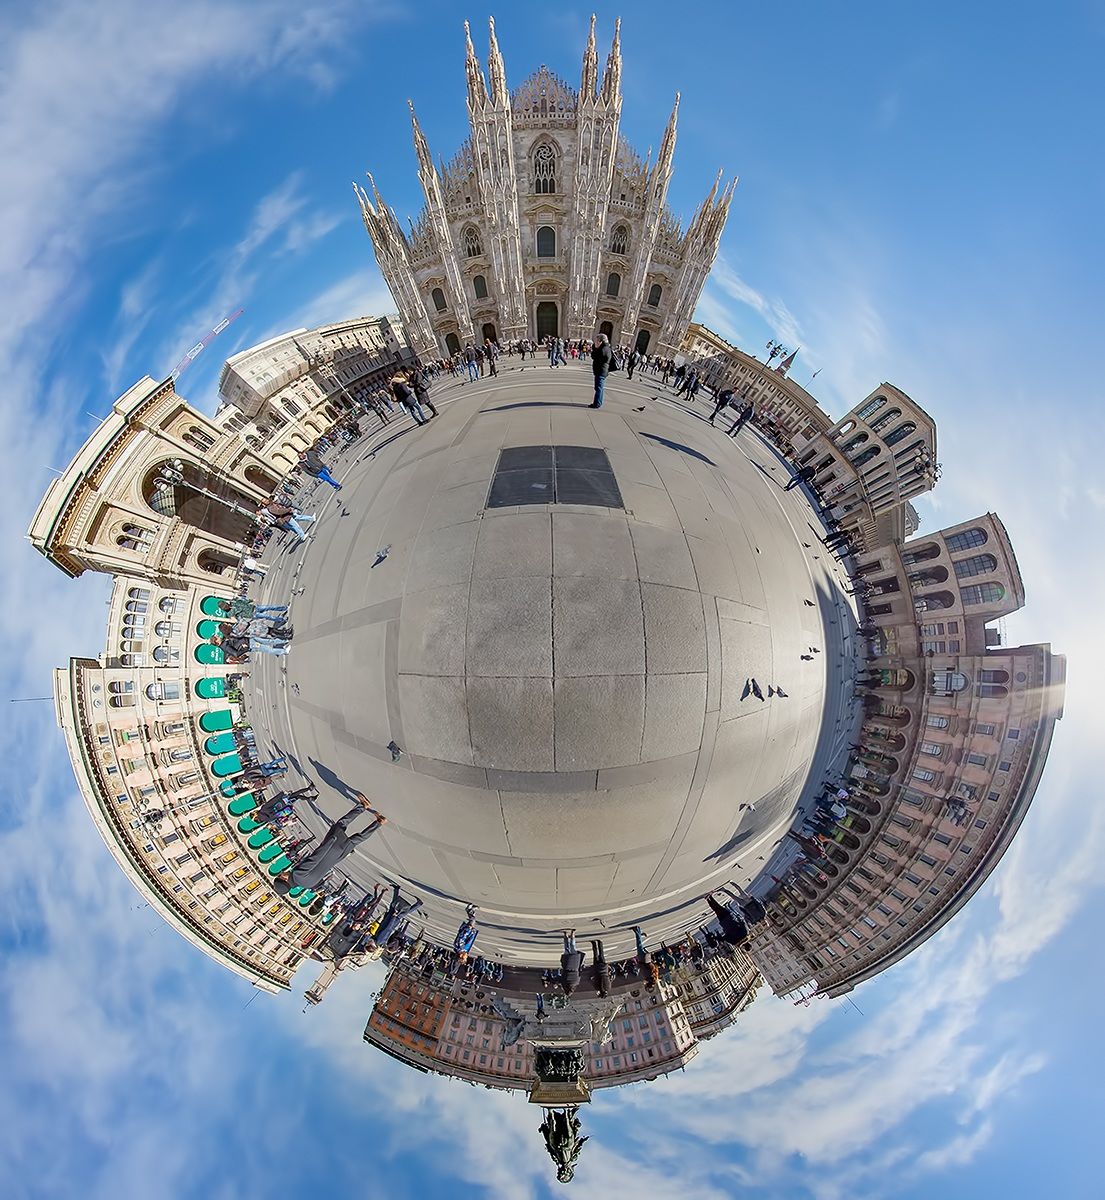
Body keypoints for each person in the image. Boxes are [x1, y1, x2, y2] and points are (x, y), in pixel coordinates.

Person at [272, 793, 386, 894]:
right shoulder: (297, 874)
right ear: (285, 880)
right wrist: (329, 842)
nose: (282, 872)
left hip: (337, 857)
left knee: (357, 838)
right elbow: (316, 857)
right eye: (280, 875)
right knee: (341, 824)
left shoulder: (307, 885)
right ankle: (363, 806)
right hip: (330, 848)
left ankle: (379, 822)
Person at [370, 883, 424, 948]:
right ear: (371, 945)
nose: (368, 942)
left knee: (393, 905)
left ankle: (396, 889)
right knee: (402, 911)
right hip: (391, 921)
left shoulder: (377, 939)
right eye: (368, 944)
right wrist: (393, 917)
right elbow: (387, 929)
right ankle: (418, 904)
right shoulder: (379, 940)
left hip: (389, 920)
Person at [590, 334, 612, 408]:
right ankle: (598, 402)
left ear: (601, 341)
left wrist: (595, 348)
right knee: (599, 388)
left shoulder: (603, 349)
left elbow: (594, 356)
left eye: (597, 340)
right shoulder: (606, 348)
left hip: (601, 371)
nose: (595, 342)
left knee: (598, 388)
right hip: (602, 370)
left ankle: (597, 404)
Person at [560, 929, 583, 995]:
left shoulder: (576, 983)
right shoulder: (564, 983)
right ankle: (565, 935)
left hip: (575, 965)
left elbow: (579, 974)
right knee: (566, 948)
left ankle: (573, 934)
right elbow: (563, 974)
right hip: (567, 966)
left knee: (573, 947)